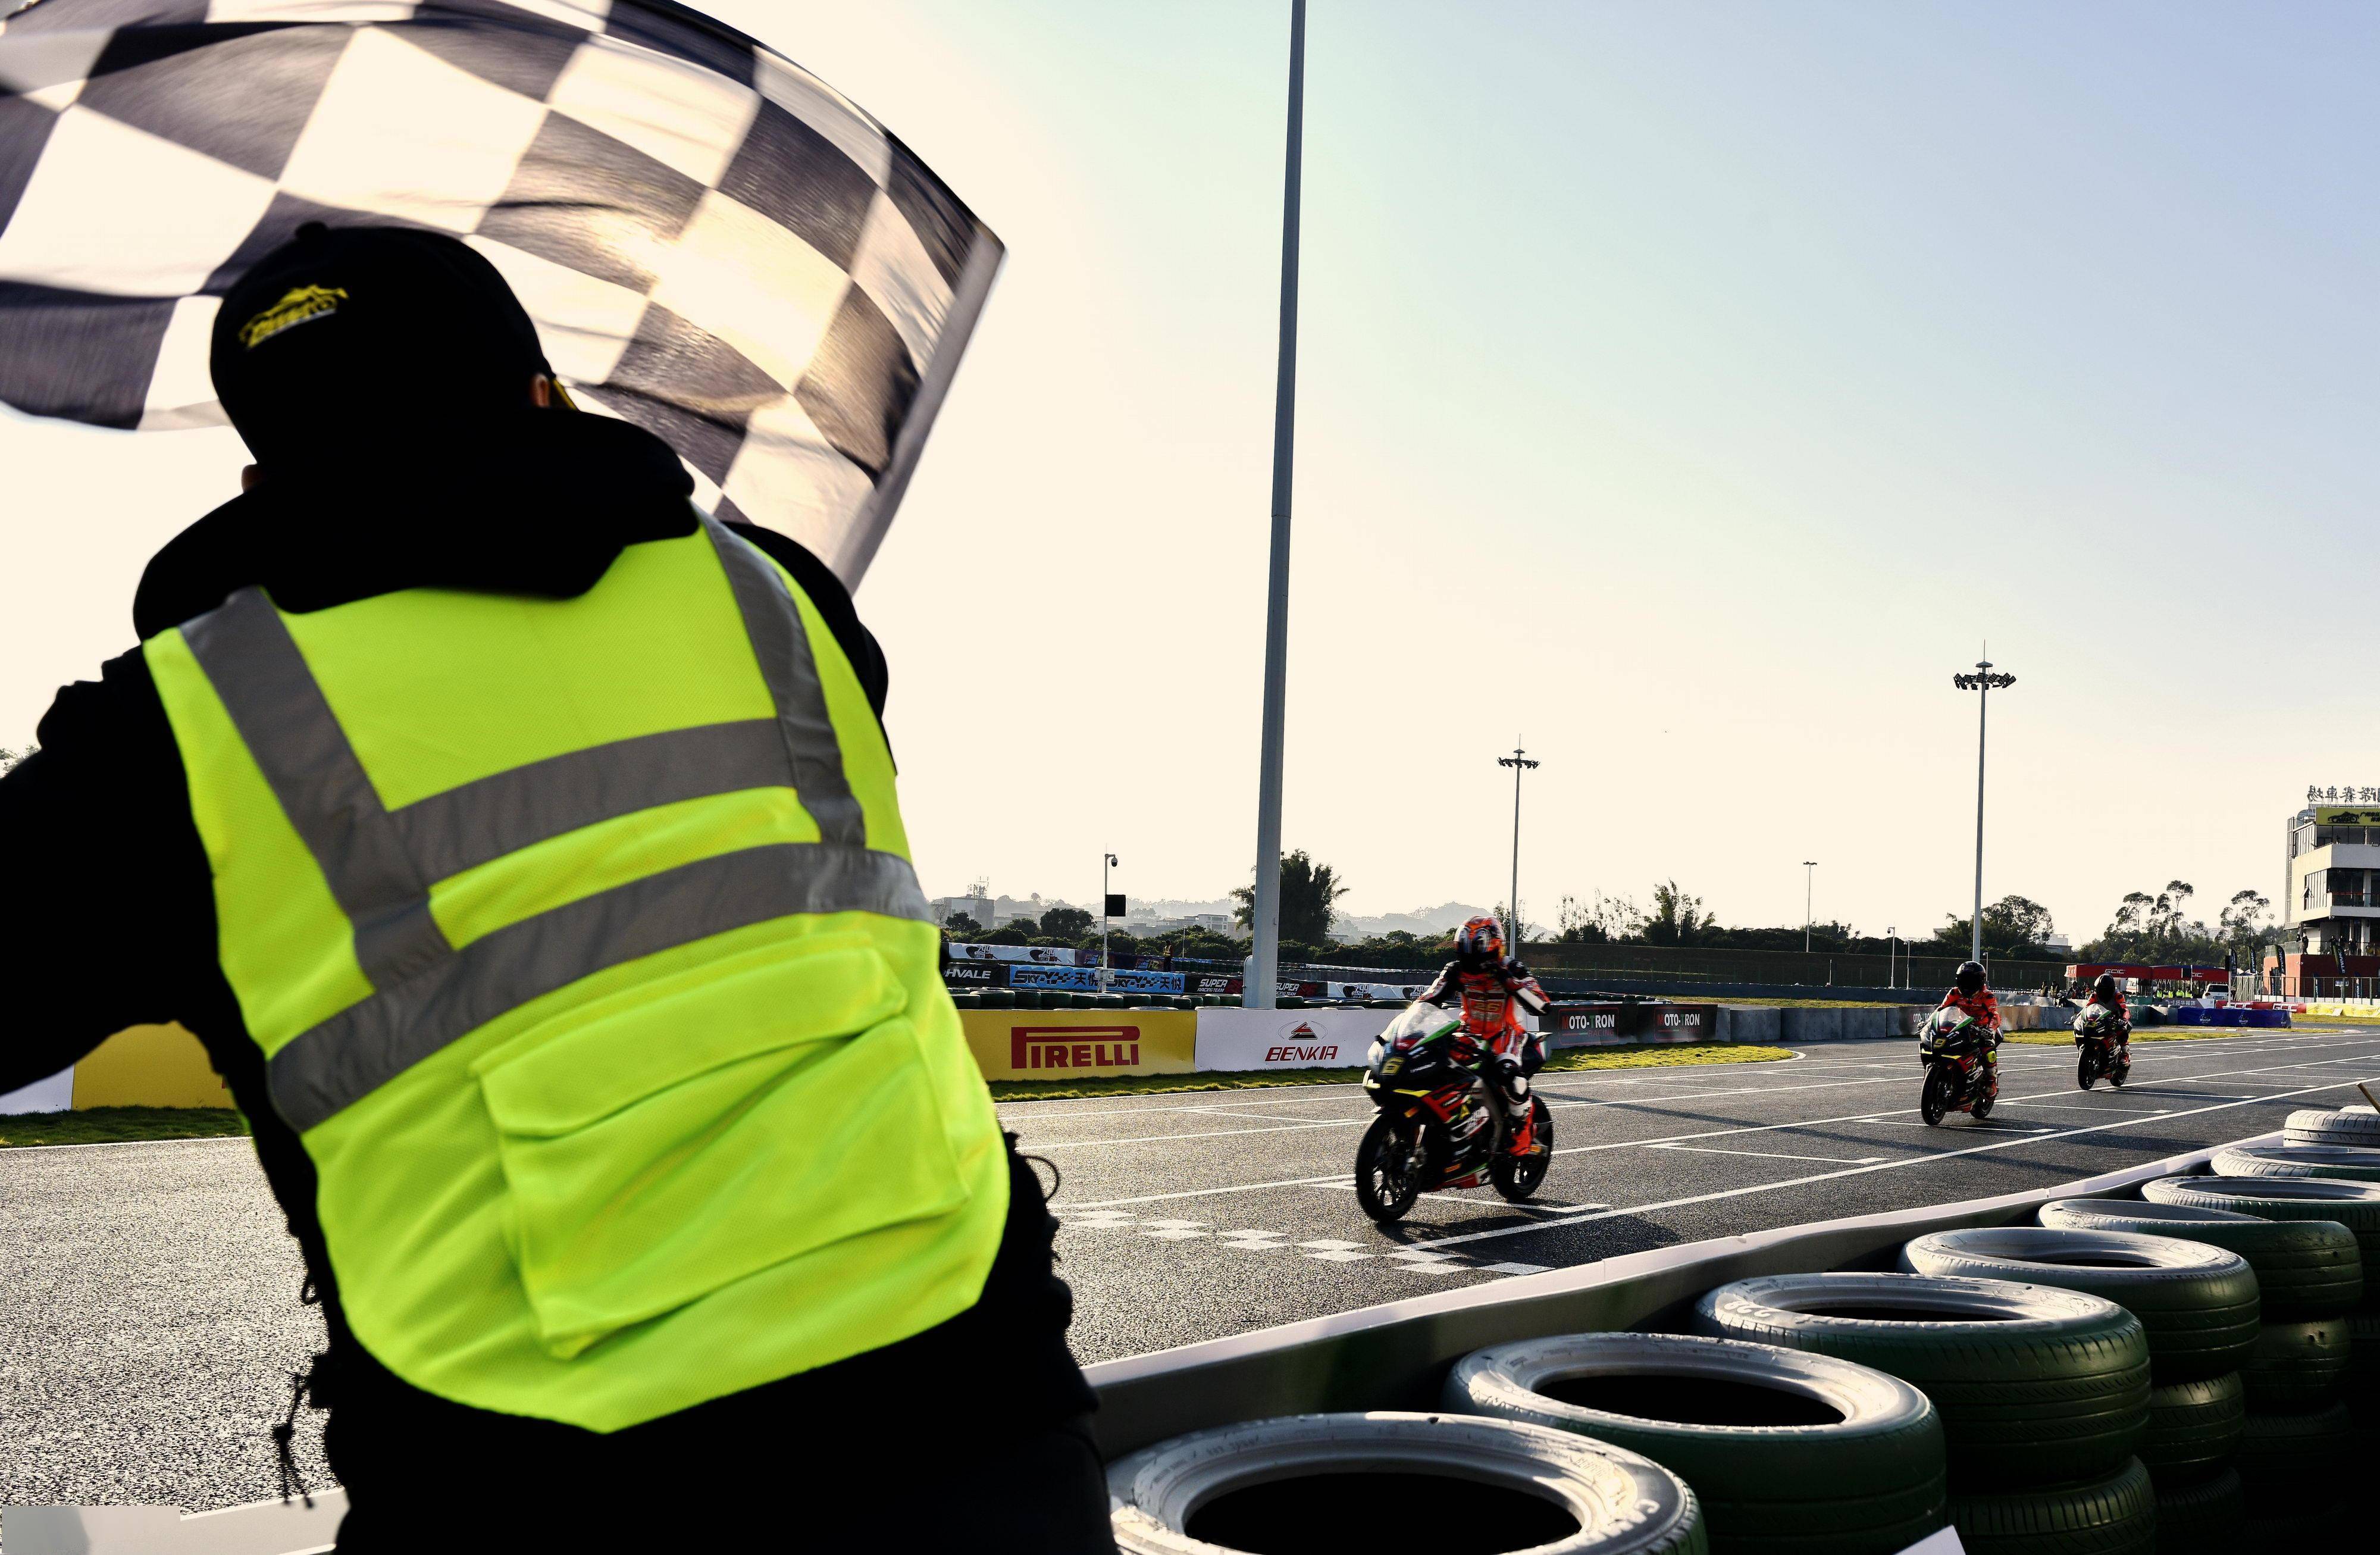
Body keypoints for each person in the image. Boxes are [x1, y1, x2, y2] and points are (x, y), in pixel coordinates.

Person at [0, 224, 1113, 1552]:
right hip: (971, 1418)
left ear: (260, 472)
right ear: (546, 393)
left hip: (533, 1484)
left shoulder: (167, 735)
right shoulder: (785, 601)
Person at [1417, 916, 1549, 1154]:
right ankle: (1453, 1123)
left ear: (1493, 945)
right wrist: (1413, 1020)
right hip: (1468, 1032)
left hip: (1505, 1034)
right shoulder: (1455, 970)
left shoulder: (1513, 968)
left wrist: (1508, 981)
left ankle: (1523, 1128)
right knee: (1435, 1065)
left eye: (1476, 947)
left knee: (1508, 1072)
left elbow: (1541, 1004)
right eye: (1466, 947)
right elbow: (1428, 1000)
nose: (1470, 956)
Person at [1936, 959, 2003, 1099]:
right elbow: (1942, 1009)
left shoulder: (1987, 995)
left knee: (1988, 1049)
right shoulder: (1954, 993)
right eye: (1964, 980)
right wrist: (1931, 1022)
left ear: (1980, 981)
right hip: (1960, 1026)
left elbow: (1994, 1015)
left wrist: (1990, 1030)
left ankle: (1991, 1081)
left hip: (1982, 1029)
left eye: (1971, 980)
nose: (1967, 984)